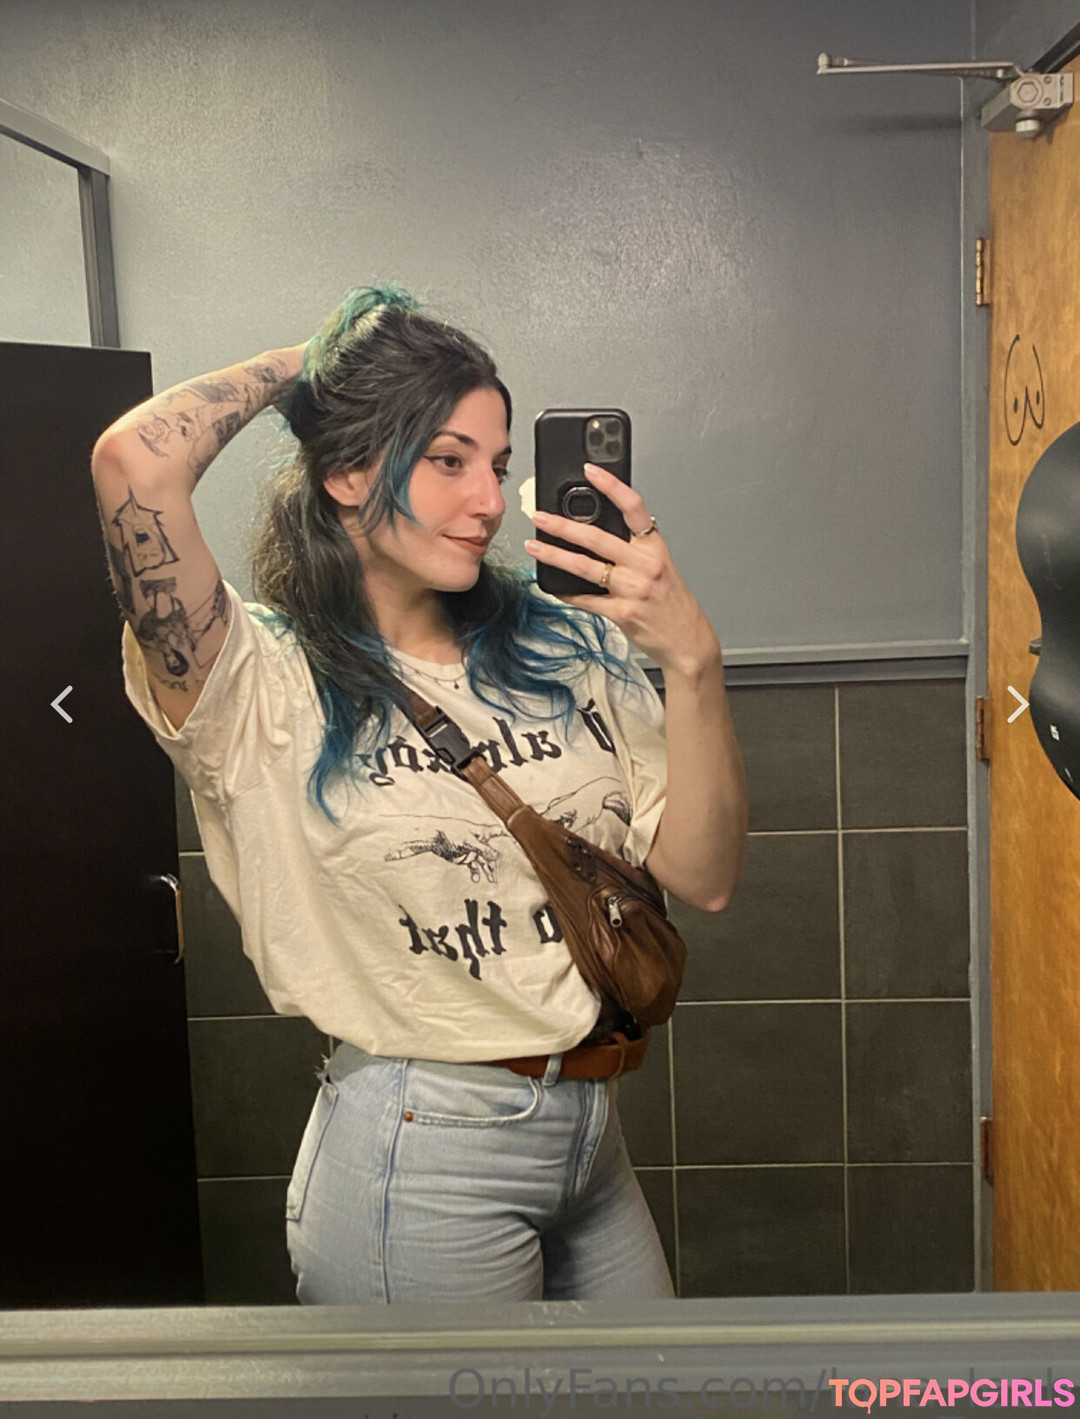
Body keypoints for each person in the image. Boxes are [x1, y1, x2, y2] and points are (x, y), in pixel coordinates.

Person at [90, 285, 748, 1303]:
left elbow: (703, 879)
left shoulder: (567, 643)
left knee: (651, 1385)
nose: (490, 500)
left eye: (497, 462)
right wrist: (315, 364)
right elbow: (132, 462)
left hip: (591, 1138)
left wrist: (693, 661)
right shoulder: (255, 678)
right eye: (447, 460)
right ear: (348, 470)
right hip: (420, 1151)